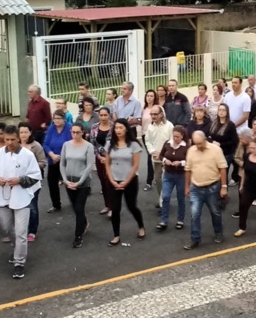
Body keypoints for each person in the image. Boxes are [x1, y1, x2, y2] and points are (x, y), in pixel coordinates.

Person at [0, 124, 41, 279]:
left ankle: (19, 263)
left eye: (13, 140)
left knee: (21, 231)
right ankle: (18, 249)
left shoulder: (28, 155)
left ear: (19, 138)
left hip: (22, 198)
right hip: (3, 197)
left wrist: (20, 180)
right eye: (7, 139)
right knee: (8, 227)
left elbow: (36, 176)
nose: (9, 143)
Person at [183, 131, 228, 250]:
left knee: (215, 212)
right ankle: (195, 239)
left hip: (212, 187)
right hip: (196, 187)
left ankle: (219, 233)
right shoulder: (191, 151)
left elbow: (222, 168)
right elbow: (188, 169)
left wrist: (224, 186)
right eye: (195, 143)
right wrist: (187, 187)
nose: (198, 146)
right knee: (194, 214)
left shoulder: (216, 150)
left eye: (200, 143)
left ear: (205, 140)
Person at [104, 119, 145, 247]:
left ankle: (141, 226)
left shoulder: (134, 145)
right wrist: (111, 180)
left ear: (126, 129)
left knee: (132, 206)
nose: (118, 130)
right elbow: (107, 164)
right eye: (116, 128)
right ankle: (116, 235)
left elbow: (135, 166)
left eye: (121, 128)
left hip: (130, 181)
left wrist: (126, 181)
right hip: (114, 180)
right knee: (115, 208)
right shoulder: (110, 144)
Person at [60, 123, 95, 248]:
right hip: (69, 182)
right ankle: (84, 223)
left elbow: (89, 166)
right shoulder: (66, 145)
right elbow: (62, 164)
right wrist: (65, 180)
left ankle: (78, 236)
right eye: (73, 132)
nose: (75, 135)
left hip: (83, 182)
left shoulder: (88, 146)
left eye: (77, 132)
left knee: (79, 208)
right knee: (75, 207)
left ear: (82, 132)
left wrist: (79, 182)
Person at [157, 126, 190, 231]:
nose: (175, 138)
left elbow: (190, 160)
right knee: (165, 196)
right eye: (174, 136)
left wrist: (180, 163)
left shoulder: (187, 147)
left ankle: (180, 220)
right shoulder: (167, 143)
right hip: (168, 174)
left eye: (177, 137)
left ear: (182, 136)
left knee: (181, 198)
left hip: (181, 175)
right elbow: (161, 155)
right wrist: (165, 160)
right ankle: (164, 221)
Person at [19, 123, 46, 243]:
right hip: (18, 181)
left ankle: (32, 231)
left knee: (32, 206)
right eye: (21, 132)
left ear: (30, 133)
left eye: (25, 132)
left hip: (33, 182)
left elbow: (43, 162)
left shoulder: (36, 146)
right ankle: (20, 229)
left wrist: (31, 167)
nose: (23, 135)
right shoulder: (15, 145)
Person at [42, 110, 72, 214]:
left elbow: (71, 144)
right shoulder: (51, 128)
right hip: (53, 160)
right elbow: (45, 144)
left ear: (64, 119)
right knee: (52, 183)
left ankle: (74, 202)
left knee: (70, 182)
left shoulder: (69, 128)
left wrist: (62, 157)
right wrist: (52, 155)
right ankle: (56, 204)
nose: (57, 121)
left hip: (67, 160)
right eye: (55, 119)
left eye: (59, 118)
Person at [144, 104, 174, 206]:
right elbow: (147, 141)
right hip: (155, 159)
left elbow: (172, 142)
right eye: (151, 114)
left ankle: (163, 202)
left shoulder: (169, 126)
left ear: (161, 114)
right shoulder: (150, 127)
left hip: (167, 158)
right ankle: (162, 198)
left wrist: (163, 153)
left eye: (155, 114)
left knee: (165, 180)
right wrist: (152, 151)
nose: (153, 116)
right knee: (158, 179)